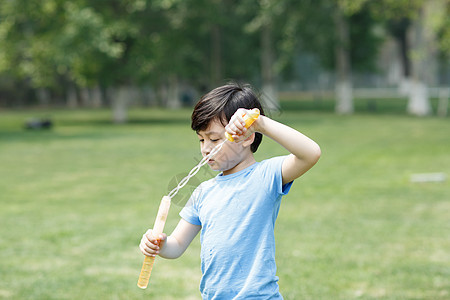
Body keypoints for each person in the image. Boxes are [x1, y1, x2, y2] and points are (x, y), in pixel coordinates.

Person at [139, 83, 321, 299]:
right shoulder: (202, 192)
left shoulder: (265, 177)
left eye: (214, 139)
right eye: (201, 139)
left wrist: (260, 123)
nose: (206, 147)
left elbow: (310, 153)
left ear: (247, 137)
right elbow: (177, 245)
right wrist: (159, 245)